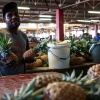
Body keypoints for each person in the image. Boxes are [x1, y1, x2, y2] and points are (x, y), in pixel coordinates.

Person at [0, 2, 31, 76]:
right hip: (4, 81)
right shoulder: (0, 34)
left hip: (22, 79)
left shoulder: (24, 36)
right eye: (10, 15)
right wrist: (1, 62)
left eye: (16, 14)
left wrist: (31, 59)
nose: (14, 17)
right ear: (4, 19)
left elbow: (27, 56)